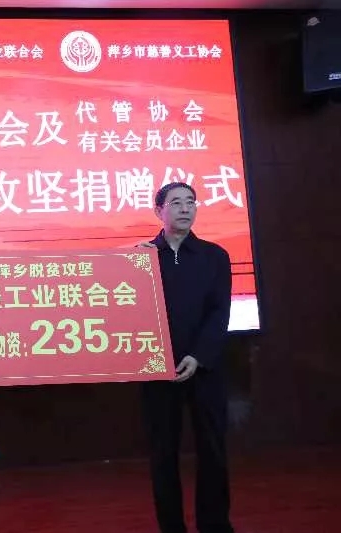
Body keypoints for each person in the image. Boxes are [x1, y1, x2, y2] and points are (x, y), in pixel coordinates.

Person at [138, 182, 234, 533]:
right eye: (176, 202)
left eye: (190, 202)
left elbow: (219, 313)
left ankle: (215, 524)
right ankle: (171, 526)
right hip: (157, 370)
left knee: (213, 450)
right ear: (158, 211)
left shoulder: (214, 256)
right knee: (163, 454)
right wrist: (129, 267)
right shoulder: (142, 257)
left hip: (204, 368)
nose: (185, 208)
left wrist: (198, 356)